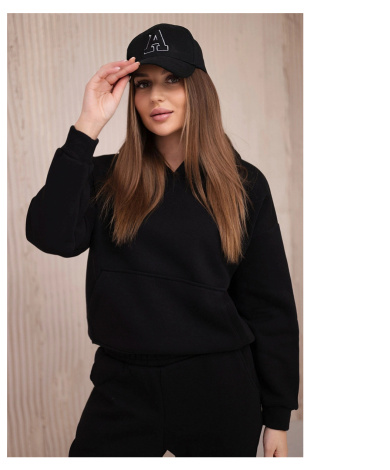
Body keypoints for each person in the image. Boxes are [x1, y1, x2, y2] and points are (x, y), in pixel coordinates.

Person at [25, 23, 300, 457]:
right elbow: (50, 235)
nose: (156, 96)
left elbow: (269, 305)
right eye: (143, 83)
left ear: (198, 89)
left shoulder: (244, 185)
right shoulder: (104, 178)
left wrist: (278, 416)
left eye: (172, 80)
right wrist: (87, 126)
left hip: (219, 388)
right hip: (123, 385)